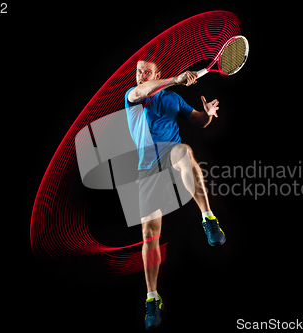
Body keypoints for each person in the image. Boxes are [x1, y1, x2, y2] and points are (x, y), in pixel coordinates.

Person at [124, 56, 226, 330]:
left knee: (185, 151)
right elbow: (143, 90)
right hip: (146, 168)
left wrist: (207, 115)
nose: (142, 76)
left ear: (157, 73)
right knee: (149, 234)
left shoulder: (173, 99)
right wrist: (177, 78)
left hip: (171, 153)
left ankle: (208, 218)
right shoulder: (133, 96)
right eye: (139, 72)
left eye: (148, 72)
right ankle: (152, 297)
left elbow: (198, 121)